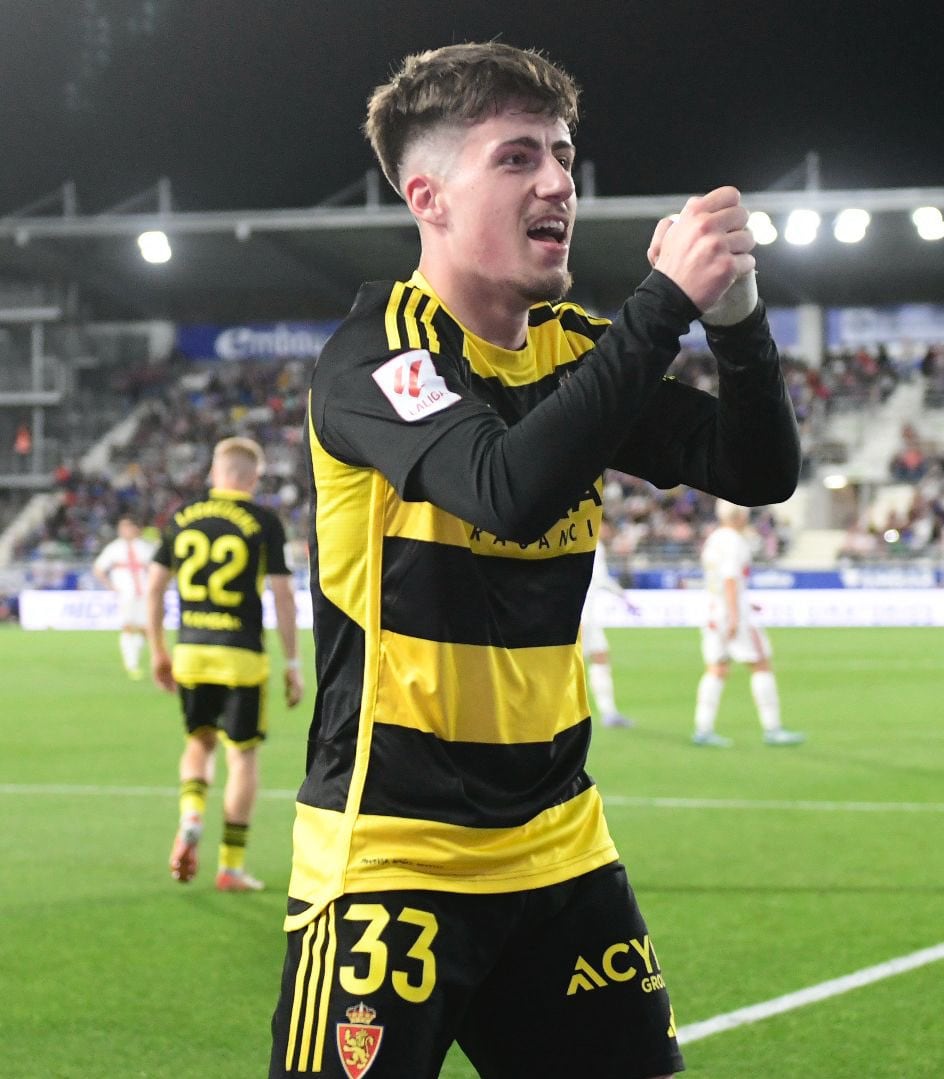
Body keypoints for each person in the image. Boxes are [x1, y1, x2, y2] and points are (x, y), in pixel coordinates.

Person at [268, 41, 800, 1079]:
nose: (557, 179)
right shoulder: (375, 358)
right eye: (516, 157)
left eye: (561, 153)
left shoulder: (569, 344)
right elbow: (506, 491)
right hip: (392, 852)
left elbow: (754, 466)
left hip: (557, 841)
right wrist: (660, 307)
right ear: (427, 195)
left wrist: (735, 321)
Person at [146, 436, 304, 893]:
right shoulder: (263, 521)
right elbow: (281, 594)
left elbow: (155, 588)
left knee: (198, 744)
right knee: (242, 757)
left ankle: (192, 816)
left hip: (191, 652)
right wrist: (293, 662)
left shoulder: (180, 517)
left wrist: (159, 650)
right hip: (241, 657)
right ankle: (231, 867)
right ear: (253, 477)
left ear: (215, 472)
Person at [693, 500, 804, 748]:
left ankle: (703, 728)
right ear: (740, 516)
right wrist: (735, 613)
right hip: (731, 613)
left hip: (711, 611)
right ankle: (772, 728)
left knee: (717, 668)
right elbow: (730, 578)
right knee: (760, 663)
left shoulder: (714, 539)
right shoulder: (734, 541)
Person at [581, 534, 637, 728]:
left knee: (600, 657)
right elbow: (598, 578)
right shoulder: (587, 539)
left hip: (583, 614)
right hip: (580, 614)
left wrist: (622, 596)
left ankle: (609, 713)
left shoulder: (587, 539)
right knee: (570, 666)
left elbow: (600, 579)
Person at [92, 514, 156, 679]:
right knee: (128, 626)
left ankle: (135, 660)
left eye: (127, 527)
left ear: (135, 528)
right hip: (126, 594)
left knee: (144, 629)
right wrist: (112, 587)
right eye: (122, 527)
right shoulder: (114, 548)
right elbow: (98, 569)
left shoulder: (146, 547)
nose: (124, 530)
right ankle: (131, 664)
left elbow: (156, 568)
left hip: (144, 593)